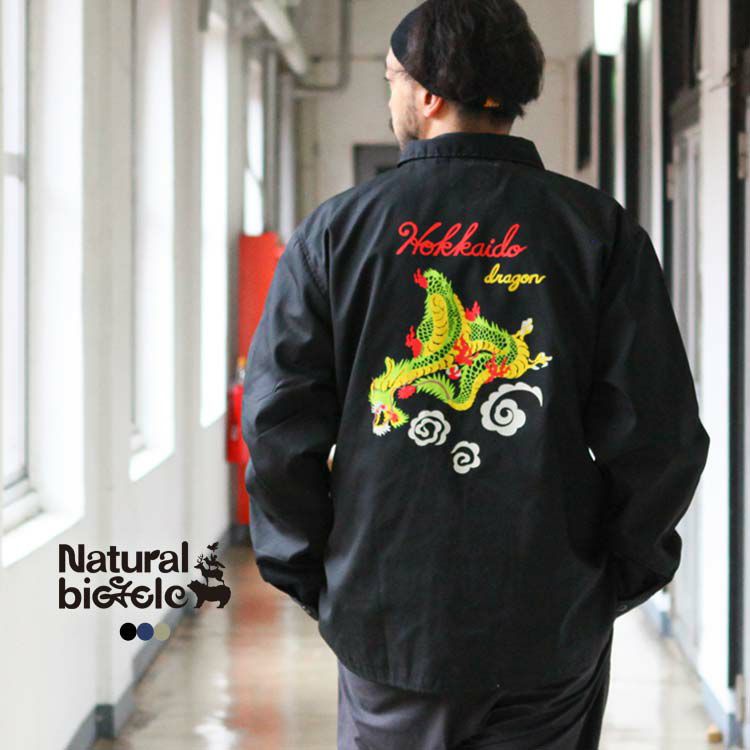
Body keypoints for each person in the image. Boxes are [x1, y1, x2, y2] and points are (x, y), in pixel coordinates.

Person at [241, 0, 711, 747]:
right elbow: (660, 435)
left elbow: (277, 430)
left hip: (389, 618)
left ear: (428, 93)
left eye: (393, 78)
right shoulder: (597, 231)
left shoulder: (336, 233)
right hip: (549, 618)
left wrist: (316, 577)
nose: (391, 95)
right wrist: (608, 580)